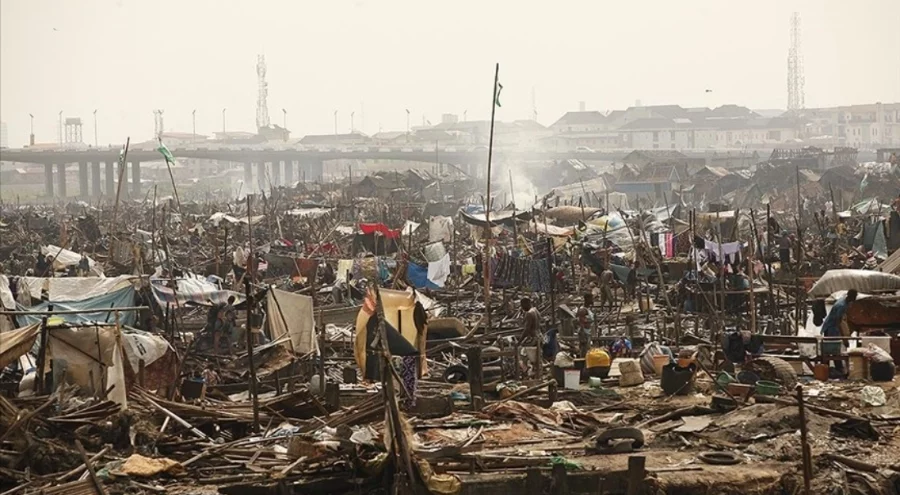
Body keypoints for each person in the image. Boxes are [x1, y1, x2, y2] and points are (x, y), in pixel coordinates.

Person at [820, 289, 857, 372]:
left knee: (831, 349)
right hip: (831, 327)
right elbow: (838, 321)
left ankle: (830, 368)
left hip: (831, 326)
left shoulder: (844, 300)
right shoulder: (841, 305)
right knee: (832, 349)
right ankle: (834, 369)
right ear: (851, 297)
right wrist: (843, 337)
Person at [520, 297, 543, 379]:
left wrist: (520, 341)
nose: (522, 307)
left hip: (533, 338)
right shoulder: (535, 310)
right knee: (537, 357)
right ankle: (537, 374)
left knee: (522, 354)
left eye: (522, 305)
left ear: (527, 303)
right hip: (539, 336)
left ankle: (526, 372)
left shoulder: (529, 313)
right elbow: (540, 322)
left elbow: (527, 329)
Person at [576, 292, 595, 357]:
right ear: (587, 299)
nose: (592, 300)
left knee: (588, 349)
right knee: (584, 350)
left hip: (588, 332)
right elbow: (581, 322)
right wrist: (583, 333)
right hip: (584, 332)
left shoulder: (587, 309)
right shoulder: (583, 310)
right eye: (591, 299)